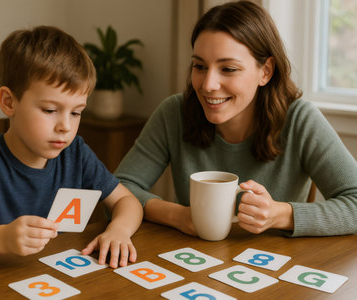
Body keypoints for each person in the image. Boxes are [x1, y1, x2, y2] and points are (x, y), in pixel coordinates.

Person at [115, 1, 357, 237]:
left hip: (273, 267)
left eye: (228, 69)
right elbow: (117, 190)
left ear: (266, 71)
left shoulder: (300, 119)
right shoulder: (173, 113)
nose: (208, 85)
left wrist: (280, 214)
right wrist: (178, 216)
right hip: (191, 261)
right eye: (199, 66)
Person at [0, 26, 143, 268]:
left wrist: (119, 231)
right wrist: (2, 238)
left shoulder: (76, 153)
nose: (65, 126)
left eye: (76, 112)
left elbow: (128, 202)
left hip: (52, 276)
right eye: (50, 110)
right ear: (9, 102)